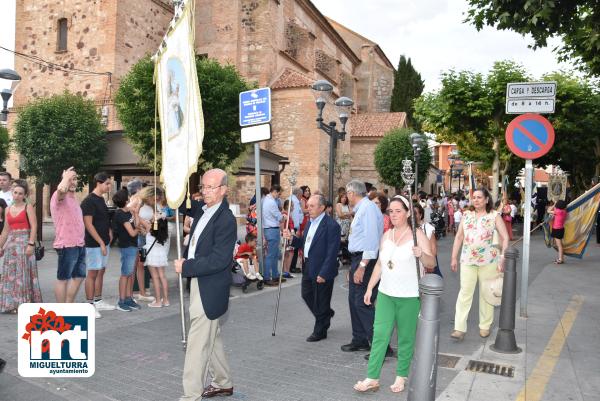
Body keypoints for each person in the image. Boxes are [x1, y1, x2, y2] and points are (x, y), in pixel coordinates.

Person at [354, 196, 436, 393]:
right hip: (386, 294)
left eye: (398, 211)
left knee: (406, 338)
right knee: (380, 335)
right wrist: (370, 288)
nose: (394, 215)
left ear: (408, 213)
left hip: (409, 296)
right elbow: (381, 264)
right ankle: (372, 377)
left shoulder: (417, 235)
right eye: (391, 211)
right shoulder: (386, 235)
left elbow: (431, 263)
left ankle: (401, 376)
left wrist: (421, 254)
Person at [174, 168, 236, 400]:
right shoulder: (203, 209)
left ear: (223, 190)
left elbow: (220, 260)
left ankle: (191, 396)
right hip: (200, 283)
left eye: (211, 187)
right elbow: (181, 206)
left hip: (211, 287)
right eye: (203, 187)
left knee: (197, 343)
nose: (205, 192)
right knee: (211, 335)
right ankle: (223, 382)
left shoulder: (226, 219)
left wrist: (187, 267)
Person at [450, 187, 509, 340]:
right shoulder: (466, 215)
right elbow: (458, 237)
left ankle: (485, 326)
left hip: (489, 261)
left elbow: (505, 237)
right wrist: (453, 257)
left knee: (486, 294)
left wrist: (503, 257)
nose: (476, 200)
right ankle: (459, 328)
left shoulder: (494, 215)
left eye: (479, 197)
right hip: (467, 260)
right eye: (474, 197)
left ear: (486, 199)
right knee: (465, 293)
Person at [283, 194, 341, 342]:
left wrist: (324, 273)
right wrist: (292, 238)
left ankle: (320, 330)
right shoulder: (309, 222)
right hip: (308, 265)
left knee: (321, 299)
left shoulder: (331, 225)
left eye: (312, 206)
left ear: (322, 207)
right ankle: (325, 314)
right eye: (308, 206)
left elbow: (332, 252)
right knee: (307, 294)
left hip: (323, 268)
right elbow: (304, 243)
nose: (308, 209)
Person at [342, 180, 384, 353]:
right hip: (358, 259)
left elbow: (371, 240)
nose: (346, 197)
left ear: (352, 193)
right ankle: (359, 339)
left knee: (362, 301)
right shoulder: (362, 209)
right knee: (353, 300)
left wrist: (361, 266)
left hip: (365, 259)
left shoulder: (367, 209)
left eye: (347, 193)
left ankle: (381, 345)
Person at [0, 181, 42, 313]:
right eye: (15, 193)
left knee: (23, 273)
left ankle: (23, 304)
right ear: (12, 193)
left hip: (24, 242)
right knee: (10, 273)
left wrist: (31, 244)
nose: (17, 195)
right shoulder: (7, 209)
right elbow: (6, 230)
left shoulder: (27, 207)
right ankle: (11, 304)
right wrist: (0, 246)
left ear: (24, 195)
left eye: (20, 193)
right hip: (11, 245)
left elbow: (34, 226)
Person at [51, 167, 86, 304]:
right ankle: (61, 310)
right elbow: (61, 190)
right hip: (66, 244)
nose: (73, 182)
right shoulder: (58, 195)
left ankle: (68, 304)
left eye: (75, 178)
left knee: (79, 276)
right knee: (63, 278)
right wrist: (66, 178)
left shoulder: (73, 198)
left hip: (79, 244)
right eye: (70, 179)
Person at [81, 172, 114, 317]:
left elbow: (103, 219)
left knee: (101, 271)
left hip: (104, 241)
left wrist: (109, 232)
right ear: (99, 183)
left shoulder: (101, 199)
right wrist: (100, 242)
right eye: (107, 183)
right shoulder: (89, 201)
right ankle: (89, 304)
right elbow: (88, 224)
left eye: (109, 183)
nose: (109, 186)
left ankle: (98, 300)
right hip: (93, 244)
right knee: (92, 273)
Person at [138, 186, 170, 308]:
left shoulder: (149, 227)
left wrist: (139, 217)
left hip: (151, 251)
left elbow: (143, 226)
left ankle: (157, 301)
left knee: (155, 277)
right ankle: (166, 300)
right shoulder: (162, 226)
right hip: (161, 251)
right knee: (162, 276)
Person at [112, 188, 143, 312]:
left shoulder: (128, 212)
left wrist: (135, 213)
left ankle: (128, 298)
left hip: (132, 245)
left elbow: (135, 223)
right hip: (127, 246)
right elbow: (132, 232)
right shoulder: (120, 214)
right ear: (126, 200)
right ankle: (121, 301)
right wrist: (138, 229)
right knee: (125, 274)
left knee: (130, 273)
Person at [262, 185, 284, 286]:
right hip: (272, 229)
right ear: (274, 191)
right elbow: (279, 217)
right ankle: (267, 277)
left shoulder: (265, 200)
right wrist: (284, 216)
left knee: (274, 254)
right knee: (271, 255)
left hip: (269, 229)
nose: (278, 196)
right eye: (278, 194)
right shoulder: (271, 202)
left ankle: (275, 275)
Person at [414, 202, 442, 277]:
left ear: (420, 215)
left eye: (415, 213)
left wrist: (430, 265)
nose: (413, 216)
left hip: (426, 265)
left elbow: (433, 249)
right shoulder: (407, 228)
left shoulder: (428, 228)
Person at [289, 188, 304, 273]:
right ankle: (292, 266)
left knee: (293, 248)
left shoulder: (292, 199)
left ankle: (292, 266)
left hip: (294, 226)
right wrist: (297, 228)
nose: (301, 197)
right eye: (301, 195)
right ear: (298, 194)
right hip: (294, 227)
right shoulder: (295, 201)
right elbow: (295, 216)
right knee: (294, 247)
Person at [548, 200, 568, 264]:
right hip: (561, 229)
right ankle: (561, 258)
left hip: (557, 229)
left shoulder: (558, 211)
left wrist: (554, 204)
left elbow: (548, 210)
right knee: (559, 245)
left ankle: (560, 259)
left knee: (559, 245)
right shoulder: (564, 211)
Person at [335, 191, 352, 264]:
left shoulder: (348, 205)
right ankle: (337, 257)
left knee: (346, 242)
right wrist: (347, 215)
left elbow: (352, 214)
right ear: (340, 198)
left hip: (347, 226)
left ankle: (345, 258)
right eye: (342, 197)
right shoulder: (338, 205)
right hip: (341, 226)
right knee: (340, 241)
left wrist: (345, 215)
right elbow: (340, 215)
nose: (344, 199)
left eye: (345, 197)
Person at [281, 199, 296, 279]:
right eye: (292, 205)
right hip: (287, 235)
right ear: (288, 206)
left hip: (287, 235)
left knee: (287, 253)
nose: (293, 207)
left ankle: (285, 271)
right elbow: (282, 225)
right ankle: (286, 271)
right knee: (289, 253)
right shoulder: (284, 215)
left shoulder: (287, 214)